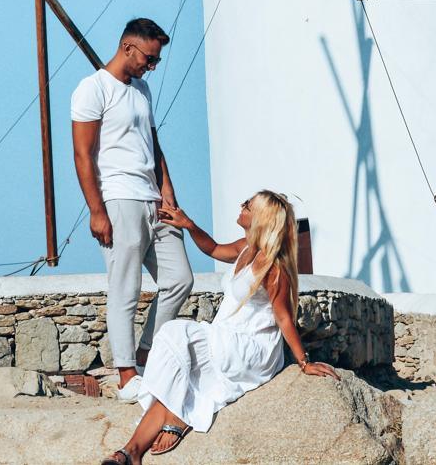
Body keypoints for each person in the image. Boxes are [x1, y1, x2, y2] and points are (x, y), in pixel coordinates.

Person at [99, 190, 338, 464]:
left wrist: (304, 362)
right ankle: (130, 453)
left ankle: (178, 417)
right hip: (226, 336)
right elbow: (212, 248)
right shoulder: (246, 247)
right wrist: (188, 224)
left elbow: (284, 317)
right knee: (174, 353)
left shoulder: (274, 266)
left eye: (247, 205)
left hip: (250, 347)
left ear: (259, 218)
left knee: (177, 338)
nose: (241, 206)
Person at [71, 18, 193, 401]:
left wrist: (167, 189)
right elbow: (83, 155)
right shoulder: (93, 89)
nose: (152, 67)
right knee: (125, 287)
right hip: (118, 197)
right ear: (128, 48)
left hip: (153, 197)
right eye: (149, 58)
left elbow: (152, 143)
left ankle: (144, 354)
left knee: (180, 279)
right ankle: (126, 377)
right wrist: (96, 210)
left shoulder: (141, 90)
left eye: (155, 60)